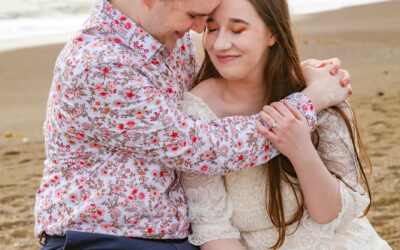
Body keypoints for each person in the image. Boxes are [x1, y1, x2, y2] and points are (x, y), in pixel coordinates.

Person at [35, 0, 352, 249]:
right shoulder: (98, 62)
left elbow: (223, 96)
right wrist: (311, 99)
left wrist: (294, 75)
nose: (202, 30)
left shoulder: (173, 37)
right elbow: (207, 148)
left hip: (177, 236)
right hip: (105, 236)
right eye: (194, 14)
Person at [179, 0, 391, 249]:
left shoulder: (323, 91)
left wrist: (301, 150)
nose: (220, 44)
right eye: (211, 29)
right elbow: (213, 229)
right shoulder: (197, 111)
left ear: (272, 33)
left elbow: (332, 215)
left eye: (237, 30)